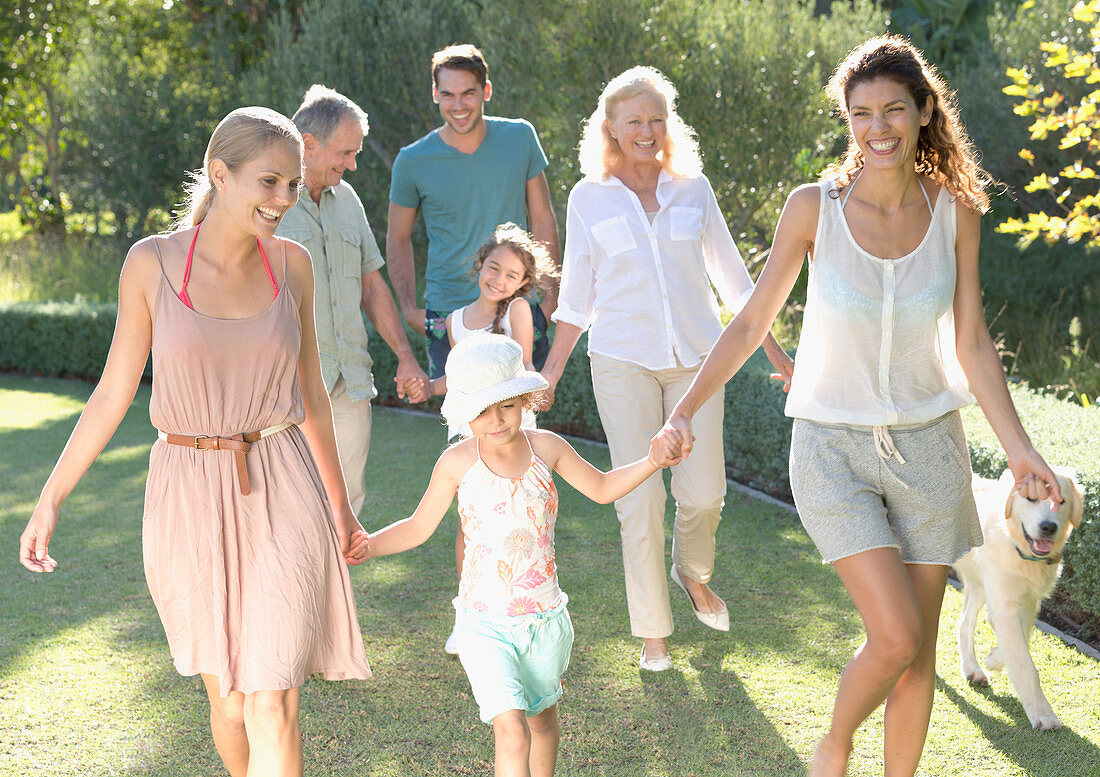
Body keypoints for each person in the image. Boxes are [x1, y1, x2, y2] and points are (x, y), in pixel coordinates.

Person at [653, 37, 1064, 777]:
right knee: (897, 633)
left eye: (894, 110)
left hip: (931, 447)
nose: (878, 128)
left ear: (924, 111)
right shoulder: (814, 209)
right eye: (861, 114)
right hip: (831, 448)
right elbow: (751, 322)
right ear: (847, 121)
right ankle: (834, 744)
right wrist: (685, 407)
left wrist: (1021, 448)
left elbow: (971, 341)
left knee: (919, 654)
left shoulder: (956, 212)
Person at [19, 107, 372, 777]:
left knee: (273, 701)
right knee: (233, 701)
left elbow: (312, 398)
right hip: (186, 493)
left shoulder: (292, 266)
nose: (283, 200)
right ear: (220, 173)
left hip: (281, 482)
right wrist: (50, 497)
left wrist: (342, 508)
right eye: (269, 182)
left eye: (293, 185)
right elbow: (112, 392)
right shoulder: (150, 264)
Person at [539, 66, 794, 672]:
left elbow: (734, 280)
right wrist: (548, 375)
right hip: (621, 362)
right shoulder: (587, 197)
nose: (647, 131)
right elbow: (577, 299)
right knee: (641, 499)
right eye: (635, 122)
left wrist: (778, 352)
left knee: (704, 495)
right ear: (611, 129)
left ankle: (692, 572)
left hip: (698, 364)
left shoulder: (694, 189)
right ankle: (653, 630)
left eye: (657, 119)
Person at [365, 333, 677, 777]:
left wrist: (651, 461)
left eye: (507, 405)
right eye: (482, 410)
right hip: (484, 624)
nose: (496, 419)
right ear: (463, 412)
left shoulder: (546, 448)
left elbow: (604, 489)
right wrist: (368, 545)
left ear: (525, 398)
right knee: (511, 730)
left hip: (544, 623)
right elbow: (417, 528)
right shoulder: (456, 462)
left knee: (542, 722)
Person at [276, 84, 429, 516]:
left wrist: (405, 356)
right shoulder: (270, 202)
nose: (353, 164)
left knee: (347, 504)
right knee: (292, 506)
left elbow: (372, 285)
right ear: (307, 145)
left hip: (350, 382)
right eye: (346, 153)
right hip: (291, 387)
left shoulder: (349, 202)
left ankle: (337, 586)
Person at [386, 43, 561, 381]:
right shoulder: (412, 161)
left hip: (518, 307)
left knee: (525, 418)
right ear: (435, 94)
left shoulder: (520, 138)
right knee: (460, 426)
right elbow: (398, 237)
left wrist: (550, 297)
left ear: (486, 91)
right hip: (448, 311)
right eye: (448, 94)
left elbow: (542, 218)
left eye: (468, 93)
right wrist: (408, 309)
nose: (458, 105)